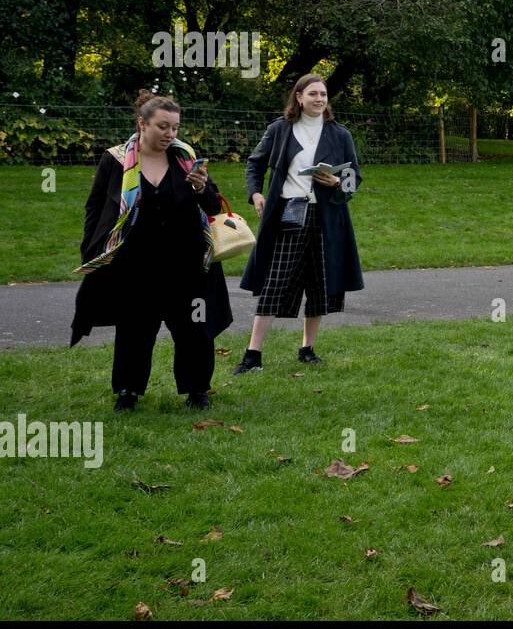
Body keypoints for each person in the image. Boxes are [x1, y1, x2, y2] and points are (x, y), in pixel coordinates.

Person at [72, 91, 233, 412]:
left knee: (194, 328)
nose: (170, 134)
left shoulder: (185, 156)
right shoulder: (115, 160)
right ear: (142, 124)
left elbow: (214, 206)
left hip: (187, 261)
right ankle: (128, 391)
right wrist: (92, 248)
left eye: (174, 127)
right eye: (163, 127)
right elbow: (95, 207)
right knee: (134, 328)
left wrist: (202, 187)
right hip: (135, 263)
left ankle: (197, 390)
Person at [233, 73, 363, 374]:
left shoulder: (340, 135)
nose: (319, 99)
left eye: (324, 94)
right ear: (299, 97)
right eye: (313, 94)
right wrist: (255, 194)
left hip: (327, 218)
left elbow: (353, 179)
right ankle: (253, 355)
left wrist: (336, 181)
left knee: (320, 284)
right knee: (274, 281)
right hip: (289, 213)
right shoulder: (280, 129)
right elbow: (255, 163)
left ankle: (307, 349)